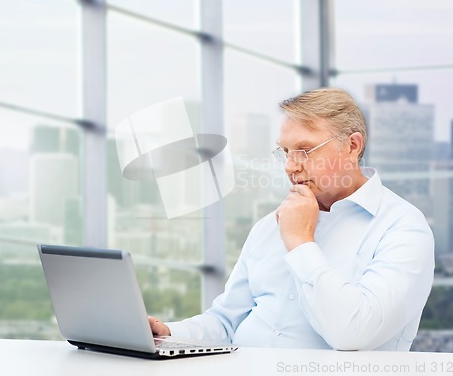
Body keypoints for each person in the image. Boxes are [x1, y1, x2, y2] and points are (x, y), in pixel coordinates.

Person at [149, 87, 435, 351]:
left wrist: (300, 241)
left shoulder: (403, 228)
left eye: (305, 150)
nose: (290, 166)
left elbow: (354, 334)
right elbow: (225, 322)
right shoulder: (268, 226)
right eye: (285, 151)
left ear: (352, 146)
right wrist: (168, 333)